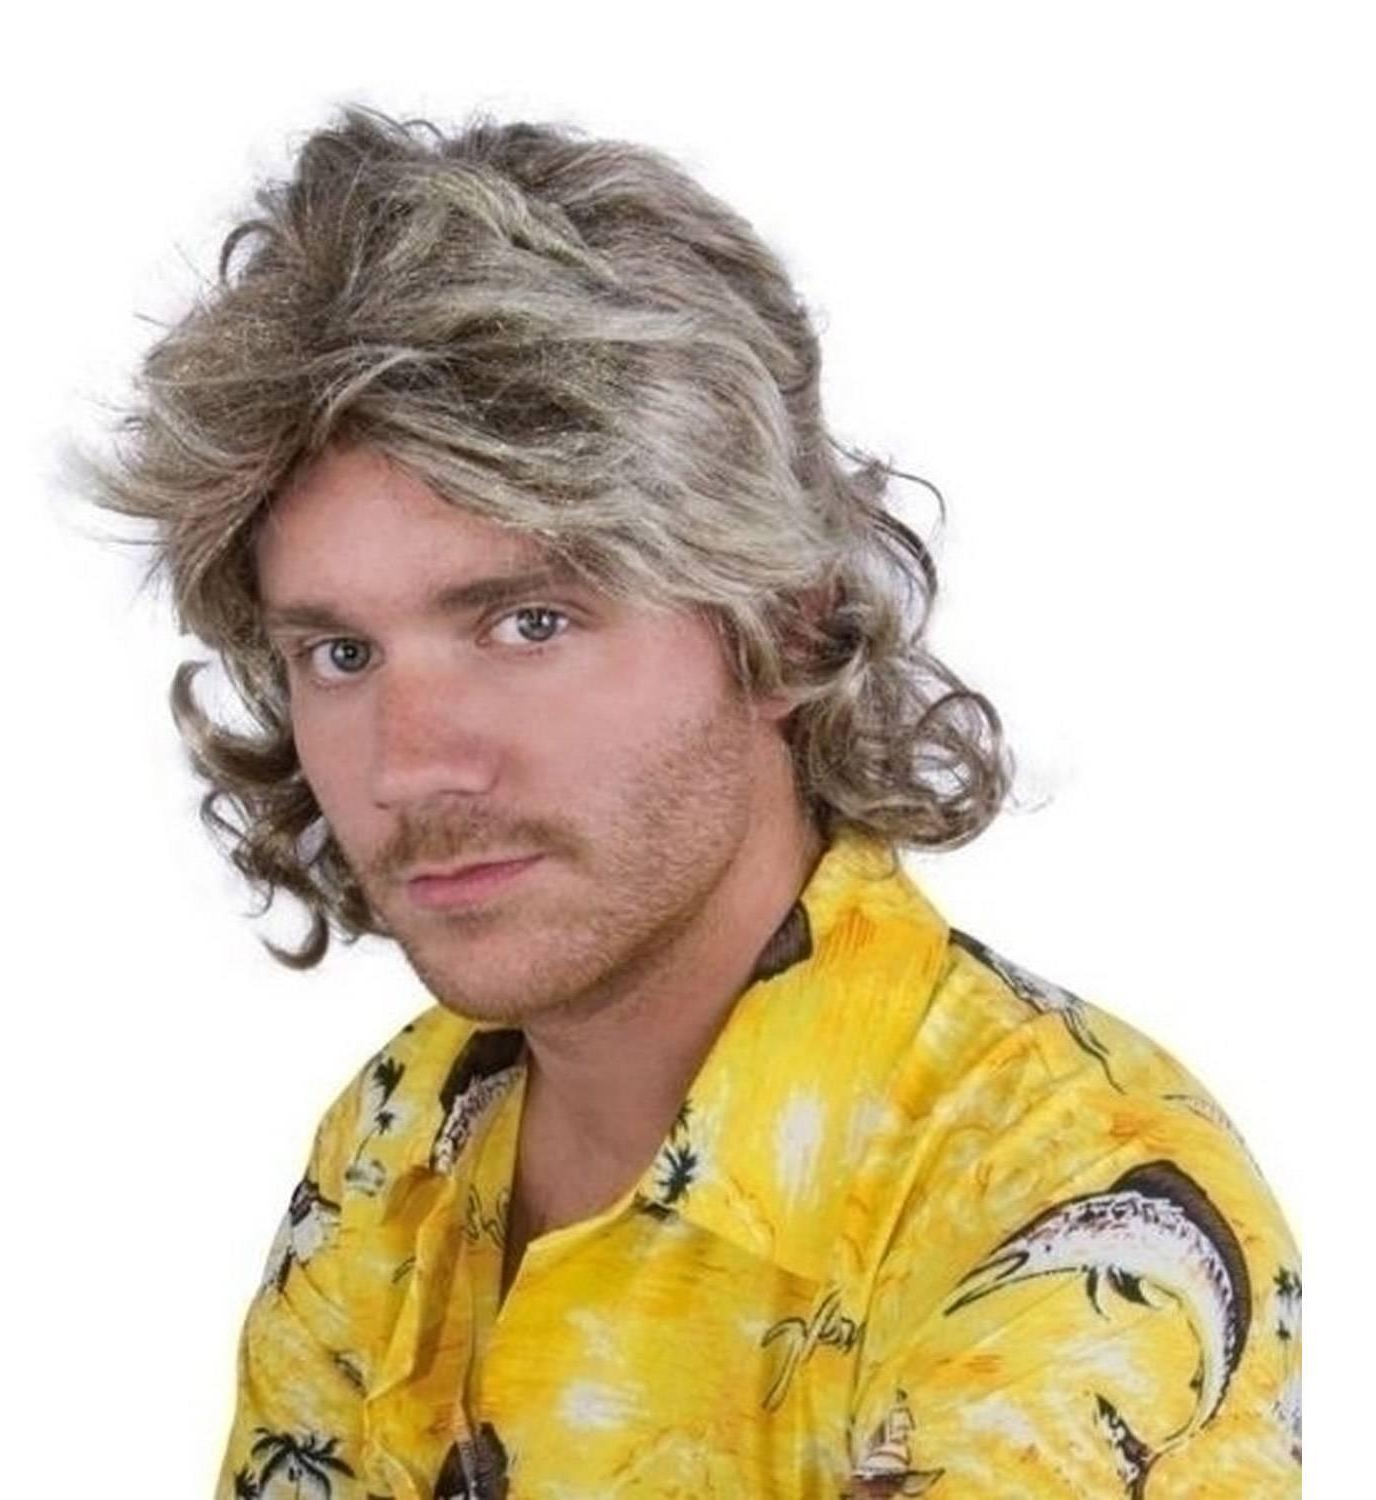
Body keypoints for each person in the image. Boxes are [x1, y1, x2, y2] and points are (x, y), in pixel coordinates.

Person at [87, 107, 1301, 1498]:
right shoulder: (401, 1133)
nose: (408, 764)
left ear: (782, 628)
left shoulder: (1070, 1206)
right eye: (341, 655)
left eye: (529, 623)